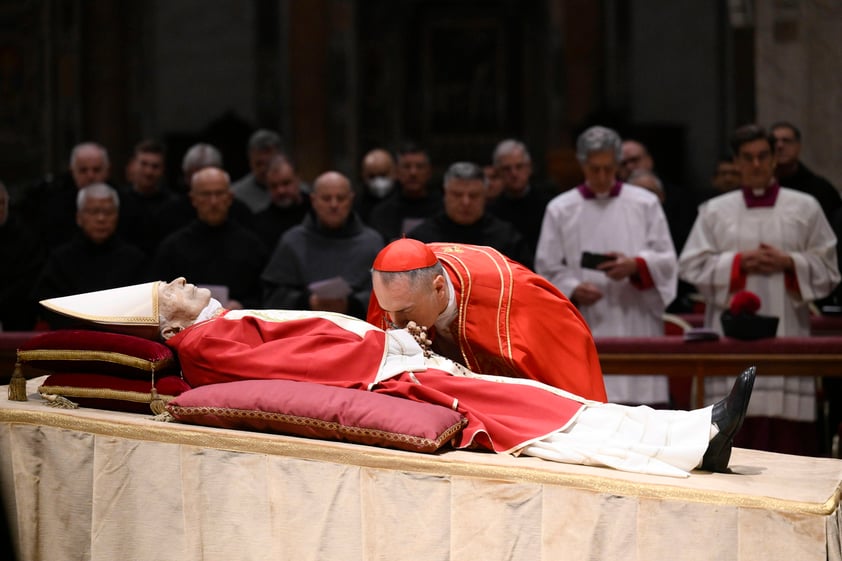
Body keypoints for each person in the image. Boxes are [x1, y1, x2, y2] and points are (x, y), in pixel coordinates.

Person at [39, 278, 758, 478]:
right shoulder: (209, 341)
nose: (187, 281)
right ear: (168, 321)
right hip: (391, 382)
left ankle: (692, 430)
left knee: (543, 400)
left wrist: (383, 342)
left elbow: (311, 339)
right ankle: (691, 440)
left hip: (393, 364)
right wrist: (389, 353)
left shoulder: (217, 323)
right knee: (534, 414)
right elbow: (296, 365)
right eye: (175, 288)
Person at [679, 123, 840, 456]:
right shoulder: (715, 211)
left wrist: (789, 262)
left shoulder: (805, 207)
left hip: (788, 330)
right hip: (731, 337)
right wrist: (738, 264)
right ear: (736, 162)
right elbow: (690, 267)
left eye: (763, 156)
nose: (755, 164)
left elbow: (829, 269)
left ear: (773, 160)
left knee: (790, 446)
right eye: (747, 158)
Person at [535, 125, 678, 407]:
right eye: (594, 169)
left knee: (643, 411)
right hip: (588, 318)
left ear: (617, 164)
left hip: (636, 317)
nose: (601, 177)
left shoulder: (645, 203)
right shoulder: (561, 208)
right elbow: (546, 267)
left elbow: (666, 258)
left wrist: (636, 266)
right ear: (582, 163)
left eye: (608, 168)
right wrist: (573, 287)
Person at [367, 238, 607, 402]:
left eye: (405, 311)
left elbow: (567, 350)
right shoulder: (395, 289)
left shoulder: (513, 294)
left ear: (439, 288)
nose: (394, 322)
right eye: (386, 309)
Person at [262, 171, 383, 319]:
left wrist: (352, 304)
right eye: (326, 198)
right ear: (313, 200)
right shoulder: (292, 241)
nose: (334, 205)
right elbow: (272, 297)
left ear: (351, 199)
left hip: (360, 331)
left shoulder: (372, 243)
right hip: (302, 331)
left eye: (341, 198)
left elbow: (387, 296)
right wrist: (307, 302)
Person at [32, 183, 148, 328]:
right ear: (79, 217)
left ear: (117, 216)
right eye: (93, 212)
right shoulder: (61, 260)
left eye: (108, 212)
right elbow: (46, 303)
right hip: (71, 340)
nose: (101, 218)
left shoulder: (134, 260)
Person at [152, 167, 269, 309]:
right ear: (193, 199)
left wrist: (243, 305)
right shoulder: (173, 248)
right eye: (206, 194)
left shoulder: (252, 246)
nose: (213, 202)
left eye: (219, 193)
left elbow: (266, 294)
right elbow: (159, 297)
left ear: (230, 197)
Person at [407, 161, 533, 268]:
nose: (465, 202)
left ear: (485, 196)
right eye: (457, 195)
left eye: (474, 195)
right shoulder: (421, 240)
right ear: (445, 194)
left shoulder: (507, 239)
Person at [21, 141, 112, 250]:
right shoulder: (53, 204)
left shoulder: (124, 203)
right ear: (72, 171)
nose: (90, 176)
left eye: (96, 170)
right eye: (83, 170)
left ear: (107, 171)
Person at [487, 139, 552, 258]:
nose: (514, 173)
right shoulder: (490, 211)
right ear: (498, 172)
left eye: (519, 166)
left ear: (529, 168)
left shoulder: (548, 206)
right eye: (507, 169)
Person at [367, 141, 443, 242]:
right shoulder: (382, 213)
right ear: (396, 171)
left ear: (429, 171)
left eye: (419, 166)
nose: (413, 173)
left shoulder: (443, 209)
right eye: (407, 166)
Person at [770, 121, 841, 222]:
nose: (780, 146)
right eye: (774, 142)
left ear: (798, 146)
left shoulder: (822, 190)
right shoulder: (759, 188)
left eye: (787, 141)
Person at [117, 139, 178, 255]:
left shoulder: (173, 204)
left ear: (163, 169)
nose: (149, 171)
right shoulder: (119, 201)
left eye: (155, 166)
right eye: (144, 164)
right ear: (133, 165)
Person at [0, 180, 45, 330]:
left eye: (1, 203)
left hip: (16, 318)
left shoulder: (25, 237)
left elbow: (28, 283)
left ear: (7, 202)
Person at [251, 154, 311, 249]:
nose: (281, 191)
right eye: (274, 186)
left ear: (298, 179)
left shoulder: (316, 211)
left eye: (286, 183)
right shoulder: (260, 224)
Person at [231, 129, 285, 213]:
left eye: (268, 164)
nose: (263, 169)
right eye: (258, 164)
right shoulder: (235, 196)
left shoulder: (298, 192)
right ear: (250, 161)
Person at [355, 148, 397, 223]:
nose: (378, 181)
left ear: (394, 173)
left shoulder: (407, 199)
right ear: (363, 175)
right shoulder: (356, 206)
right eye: (372, 176)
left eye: (383, 175)